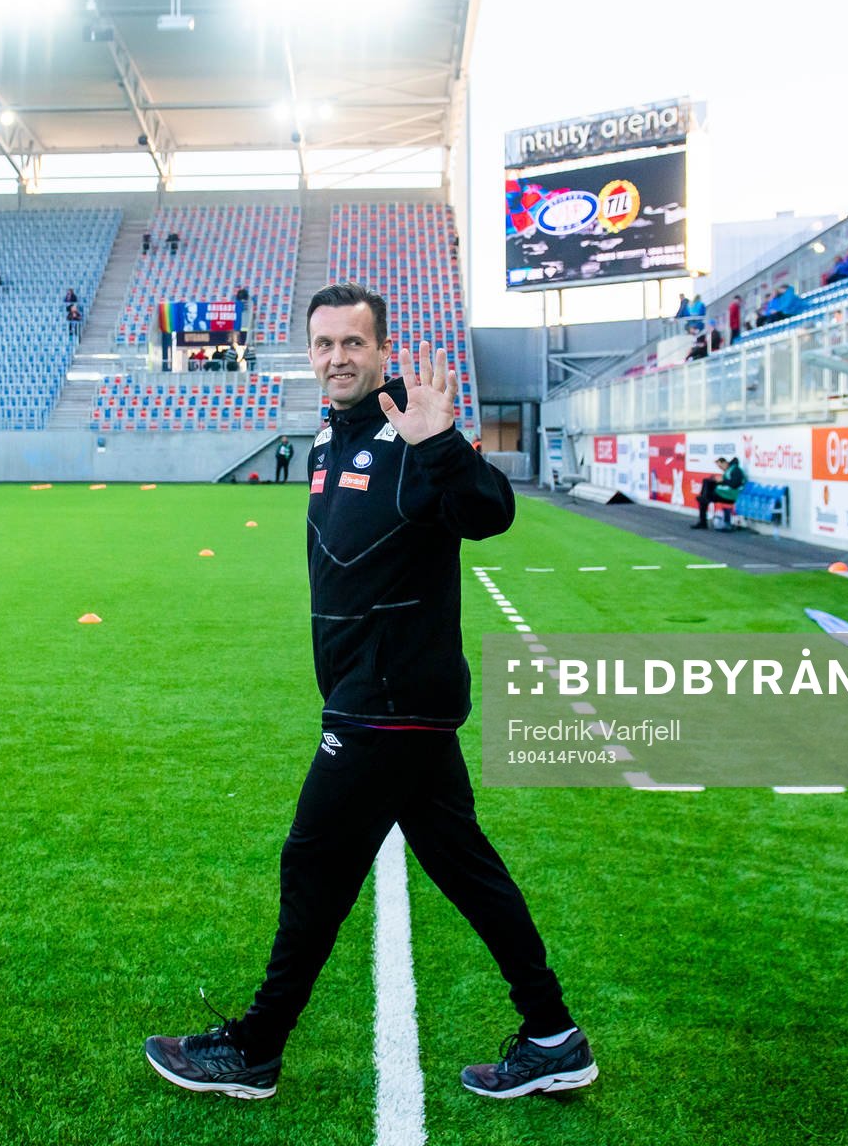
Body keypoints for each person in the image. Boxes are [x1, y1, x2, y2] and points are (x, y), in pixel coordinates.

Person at [144, 283, 591, 1102]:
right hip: (385, 699)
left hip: (383, 704)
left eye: (353, 344)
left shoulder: (406, 430)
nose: (337, 359)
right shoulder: (330, 433)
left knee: (313, 865)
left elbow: (490, 513)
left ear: (381, 348)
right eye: (323, 345)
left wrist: (443, 442)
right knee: (467, 868)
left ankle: (255, 1048)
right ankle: (553, 1035)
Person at [692, 455, 746, 528]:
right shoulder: (729, 470)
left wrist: (723, 481)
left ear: (725, 463)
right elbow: (727, 482)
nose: (721, 469)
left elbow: (735, 484)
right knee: (707, 481)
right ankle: (704, 497)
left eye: (721, 466)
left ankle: (703, 521)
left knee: (703, 498)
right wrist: (717, 480)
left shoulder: (736, 470)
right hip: (725, 493)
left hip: (730, 496)